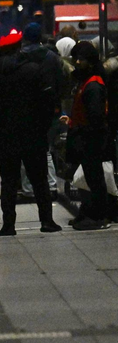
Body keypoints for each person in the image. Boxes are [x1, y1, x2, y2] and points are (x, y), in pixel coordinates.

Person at [0, 31, 61, 236]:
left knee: (9, 181)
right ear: (18, 49)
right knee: (39, 180)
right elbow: (47, 103)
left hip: (3, 137)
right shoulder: (33, 71)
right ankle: (46, 221)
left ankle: (8, 225)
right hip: (33, 135)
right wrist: (43, 127)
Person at [65, 40, 111, 230]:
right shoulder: (87, 81)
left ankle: (99, 217)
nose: (77, 62)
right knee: (89, 178)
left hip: (90, 139)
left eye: (81, 59)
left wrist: (85, 135)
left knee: (94, 178)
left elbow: (95, 117)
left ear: (90, 61)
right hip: (85, 137)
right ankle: (89, 212)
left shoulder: (93, 85)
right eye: (75, 58)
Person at [18, 23, 64, 201]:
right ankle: (51, 186)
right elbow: (61, 82)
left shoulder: (20, 56)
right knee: (46, 149)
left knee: (25, 150)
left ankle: (28, 188)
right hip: (48, 109)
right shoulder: (51, 57)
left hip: (26, 109)